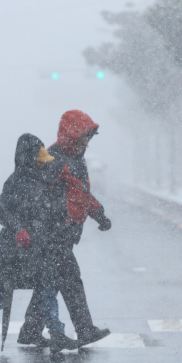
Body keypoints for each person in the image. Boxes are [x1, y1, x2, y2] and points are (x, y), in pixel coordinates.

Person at [0, 133, 78, 354]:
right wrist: (19, 228)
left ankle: (56, 333)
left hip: (37, 249)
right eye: (38, 159)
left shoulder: (38, 180)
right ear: (28, 157)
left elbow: (42, 213)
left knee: (46, 288)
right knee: (2, 294)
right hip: (13, 251)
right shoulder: (15, 182)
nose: (41, 163)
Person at [18, 110, 112, 348]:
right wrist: (51, 217)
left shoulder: (77, 158)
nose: (87, 143)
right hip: (52, 233)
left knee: (52, 282)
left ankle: (30, 330)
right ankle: (84, 329)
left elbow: (81, 194)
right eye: (83, 138)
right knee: (70, 280)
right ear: (71, 136)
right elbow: (35, 191)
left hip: (65, 233)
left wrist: (99, 214)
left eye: (89, 138)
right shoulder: (51, 158)